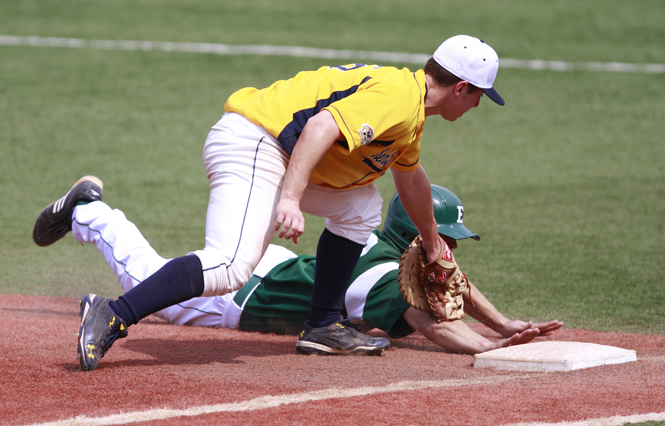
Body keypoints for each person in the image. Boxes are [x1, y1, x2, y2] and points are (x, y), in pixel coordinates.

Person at [33, 35, 508, 370]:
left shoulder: (409, 113)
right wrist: (291, 199)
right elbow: (322, 127)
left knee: (361, 207)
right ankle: (114, 314)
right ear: (462, 88)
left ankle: (323, 325)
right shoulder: (398, 99)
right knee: (230, 266)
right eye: (480, 97)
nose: (478, 107)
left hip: (277, 151)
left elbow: (411, 180)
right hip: (254, 143)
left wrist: (431, 243)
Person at [38, 179, 562, 361]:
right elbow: (436, 323)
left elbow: (453, 286)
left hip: (278, 271)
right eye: (446, 238)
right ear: (417, 232)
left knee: (174, 269)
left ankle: (91, 216)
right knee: (145, 281)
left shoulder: (391, 254)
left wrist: (505, 323)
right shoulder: (382, 276)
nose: (449, 250)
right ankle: (89, 211)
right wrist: (488, 347)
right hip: (242, 297)